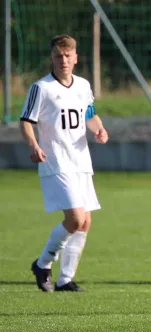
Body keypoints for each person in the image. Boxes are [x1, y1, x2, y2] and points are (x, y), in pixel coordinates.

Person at [20, 34, 109, 292]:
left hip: (81, 160)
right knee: (75, 217)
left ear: (76, 58)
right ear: (52, 58)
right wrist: (33, 145)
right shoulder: (42, 88)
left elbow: (89, 114)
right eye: (58, 56)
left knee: (85, 222)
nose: (63, 60)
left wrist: (99, 129)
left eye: (68, 55)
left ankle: (65, 279)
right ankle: (43, 263)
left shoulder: (82, 85)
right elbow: (26, 120)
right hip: (56, 161)